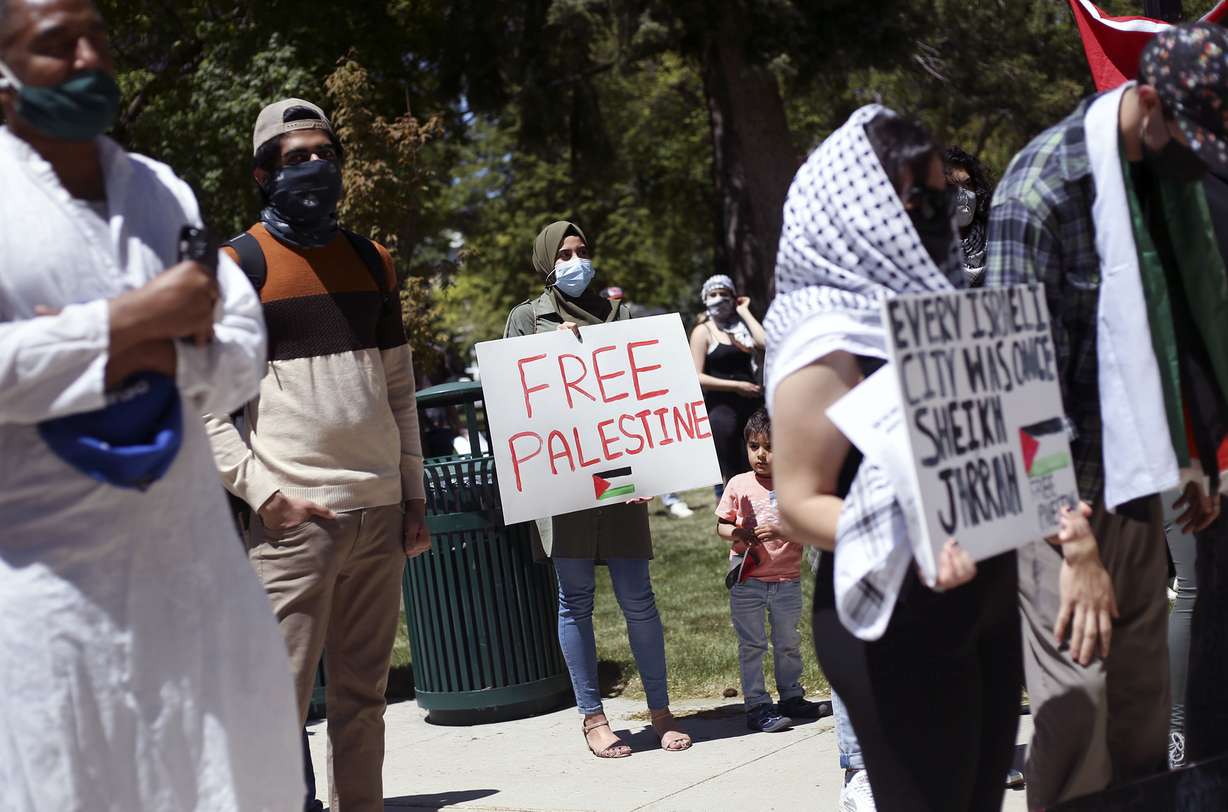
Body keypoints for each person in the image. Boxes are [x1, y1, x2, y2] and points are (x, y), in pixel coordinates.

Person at [0, 0, 301, 808]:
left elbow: (239, 352)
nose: (91, 56)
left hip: (193, 578)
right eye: (58, 45)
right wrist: (127, 322)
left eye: (99, 36)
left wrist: (132, 350)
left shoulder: (162, 193)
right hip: (48, 604)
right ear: (3, 78)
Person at [765, 106, 1036, 811]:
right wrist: (911, 536)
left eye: (937, 195)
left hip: (982, 601)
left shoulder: (944, 307)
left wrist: (1050, 497)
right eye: (908, 196)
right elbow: (797, 500)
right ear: (853, 204)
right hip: (895, 621)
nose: (928, 210)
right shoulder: (822, 334)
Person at [986, 23, 1228, 807]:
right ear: (1147, 104)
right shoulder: (1039, 193)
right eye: (1186, 139)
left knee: (1140, 719)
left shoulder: (1154, 179)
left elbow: (1154, 331)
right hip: (1058, 504)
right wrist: (1074, 537)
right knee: (1075, 718)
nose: (1193, 161)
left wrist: (1186, 453)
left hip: (1133, 492)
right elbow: (1015, 380)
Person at [203, 98, 430, 812]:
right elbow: (203, 403)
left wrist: (413, 495)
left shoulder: (372, 260)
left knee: (364, 707)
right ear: (263, 175)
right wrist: (266, 496)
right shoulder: (235, 267)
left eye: (325, 154)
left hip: (381, 516)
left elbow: (399, 388)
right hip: (295, 523)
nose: (315, 168)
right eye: (296, 158)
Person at [504, 220, 691, 758]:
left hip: (619, 475)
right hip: (563, 475)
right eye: (563, 253)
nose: (575, 261)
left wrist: (656, 468)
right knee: (575, 600)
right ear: (545, 262)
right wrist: (549, 353)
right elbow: (515, 399)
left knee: (639, 598)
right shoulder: (526, 318)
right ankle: (592, 718)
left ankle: (660, 711)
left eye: (582, 251)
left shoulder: (624, 316)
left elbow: (648, 399)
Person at [716, 408, 830, 733]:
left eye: (770, 447)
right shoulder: (739, 484)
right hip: (748, 581)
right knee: (752, 644)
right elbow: (722, 526)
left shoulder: (794, 485)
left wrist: (782, 530)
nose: (761, 455)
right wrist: (737, 533)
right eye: (754, 446)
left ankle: (792, 696)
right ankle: (757, 704)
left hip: (787, 579)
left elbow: (808, 529)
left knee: (787, 642)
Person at [600, 284, 693, 518]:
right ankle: (620, 503)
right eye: (613, 301)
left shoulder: (637, 331)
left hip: (641, 403)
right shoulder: (595, 337)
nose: (618, 306)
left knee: (655, 448)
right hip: (612, 407)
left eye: (621, 300)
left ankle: (671, 499)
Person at [689, 275, 766, 496]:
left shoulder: (742, 326)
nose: (719, 299)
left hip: (753, 408)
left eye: (724, 294)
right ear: (705, 298)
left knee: (760, 469)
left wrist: (745, 312)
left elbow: (764, 342)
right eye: (713, 294)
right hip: (722, 411)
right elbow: (697, 376)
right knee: (732, 474)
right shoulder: (703, 331)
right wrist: (735, 386)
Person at [943, 146, 993, 287]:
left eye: (967, 184)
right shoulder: (929, 250)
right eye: (952, 187)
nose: (962, 196)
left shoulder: (998, 237)